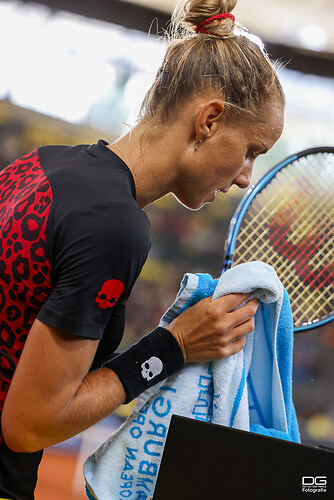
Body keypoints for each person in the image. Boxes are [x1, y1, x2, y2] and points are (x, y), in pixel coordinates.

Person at [0, 0, 284, 497]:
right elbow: (29, 425)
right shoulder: (113, 226)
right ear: (210, 120)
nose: (245, 178)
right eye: (251, 151)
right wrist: (172, 346)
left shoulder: (42, 163)